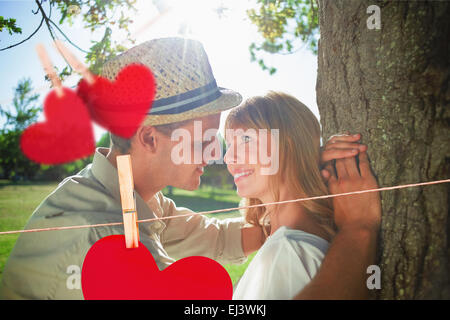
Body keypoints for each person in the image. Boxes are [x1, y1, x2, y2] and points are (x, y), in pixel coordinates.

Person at [0, 37, 373, 300]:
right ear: (149, 139)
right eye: (203, 142)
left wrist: (298, 163)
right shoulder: (106, 236)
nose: (216, 156)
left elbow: (213, 236)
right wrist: (358, 229)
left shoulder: (134, 198)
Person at [224, 92, 381, 299]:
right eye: (229, 144)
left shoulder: (290, 251)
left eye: (246, 139)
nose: (228, 157)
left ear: (289, 145)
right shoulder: (284, 246)